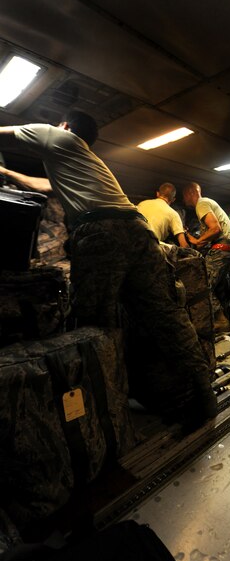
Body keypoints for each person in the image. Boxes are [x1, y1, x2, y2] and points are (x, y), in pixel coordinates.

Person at [0, 111, 217, 431]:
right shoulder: (83, 163)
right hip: (139, 234)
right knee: (166, 316)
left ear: (65, 126)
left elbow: (6, 133)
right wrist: (6, 171)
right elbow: (45, 185)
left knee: (91, 321)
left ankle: (98, 413)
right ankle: (204, 396)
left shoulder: (56, 136)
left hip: (101, 233)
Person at [182, 182, 230, 334]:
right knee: (218, 285)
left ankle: (220, 320)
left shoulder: (202, 204)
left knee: (203, 284)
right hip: (229, 246)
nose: (184, 200)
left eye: (184, 196)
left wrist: (198, 241)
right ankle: (224, 316)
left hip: (222, 246)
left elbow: (215, 228)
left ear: (189, 193)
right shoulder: (208, 203)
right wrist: (197, 240)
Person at [137, 183, 188, 247]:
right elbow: (183, 244)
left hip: (131, 242)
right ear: (173, 199)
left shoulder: (142, 204)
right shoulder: (173, 214)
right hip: (150, 248)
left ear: (157, 194)